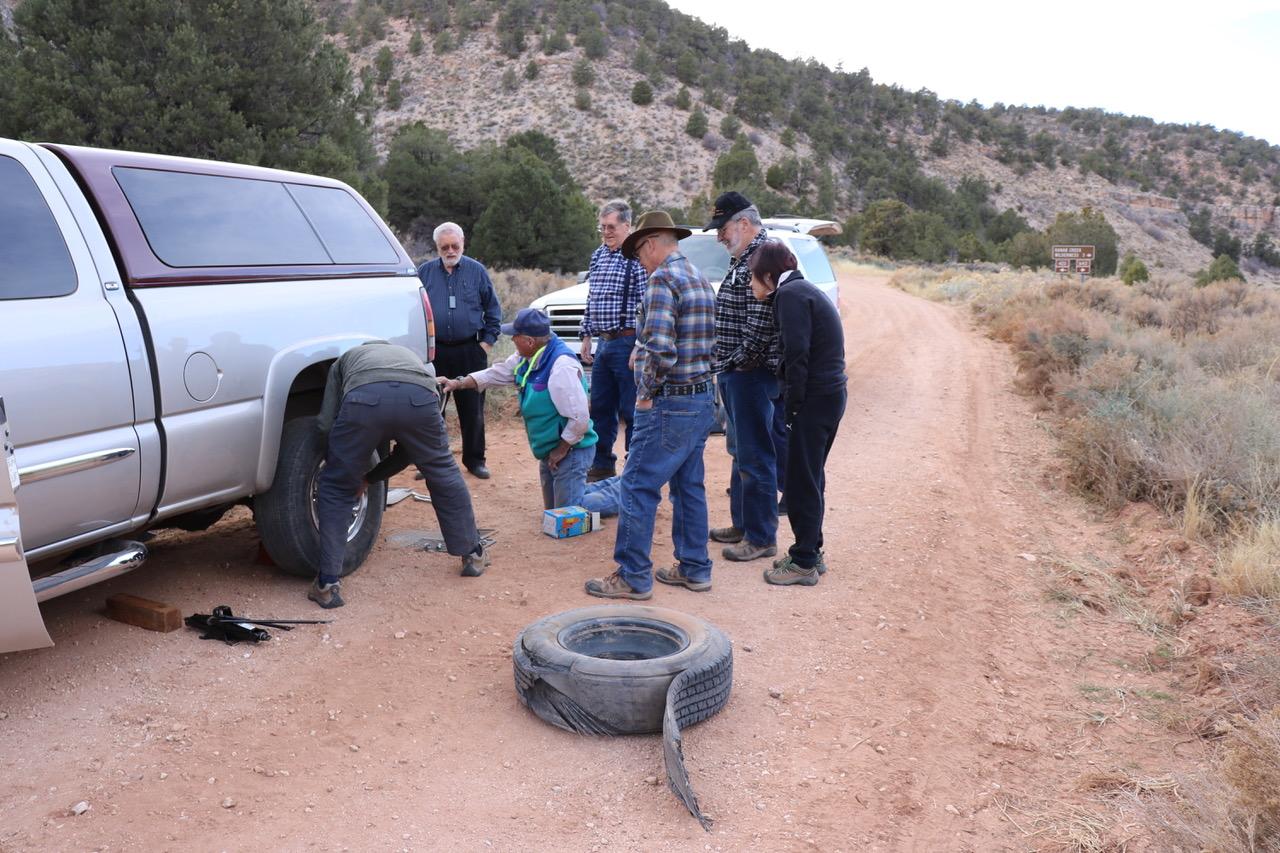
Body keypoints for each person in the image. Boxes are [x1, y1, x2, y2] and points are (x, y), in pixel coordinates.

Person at [584, 211, 717, 600]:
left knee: (638, 486)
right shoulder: (698, 278)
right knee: (688, 486)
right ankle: (695, 568)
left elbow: (659, 348)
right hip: (700, 397)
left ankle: (633, 576)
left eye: (640, 251)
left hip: (669, 402)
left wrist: (644, 392)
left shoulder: (662, 280)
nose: (639, 260)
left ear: (653, 243)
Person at [310, 341, 489, 608]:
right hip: (419, 397)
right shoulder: (412, 357)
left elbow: (325, 423)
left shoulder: (346, 359)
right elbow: (410, 452)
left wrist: (340, 462)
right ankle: (473, 555)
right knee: (443, 473)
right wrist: (370, 478)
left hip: (363, 399)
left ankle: (327, 585)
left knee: (335, 487)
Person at [748, 241, 847, 586]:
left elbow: (797, 354)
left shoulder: (790, 295)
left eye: (752, 277)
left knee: (801, 480)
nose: (750, 284)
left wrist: (792, 407)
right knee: (810, 475)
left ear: (769, 275)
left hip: (816, 398)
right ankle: (810, 550)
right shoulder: (801, 290)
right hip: (830, 395)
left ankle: (804, 561)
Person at [440, 308, 598, 510]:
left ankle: (623, 495)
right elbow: (497, 373)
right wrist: (458, 383)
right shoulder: (528, 356)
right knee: (553, 512)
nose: (512, 339)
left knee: (566, 513)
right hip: (550, 450)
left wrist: (561, 450)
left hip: (572, 449)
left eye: (515, 336)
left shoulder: (561, 367)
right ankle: (589, 489)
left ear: (530, 341)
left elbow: (580, 418)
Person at [705, 191, 785, 562]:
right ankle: (743, 525)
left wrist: (733, 363)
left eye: (722, 228)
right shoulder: (745, 257)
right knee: (741, 453)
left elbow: (761, 325)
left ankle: (762, 537)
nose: (719, 235)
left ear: (743, 223)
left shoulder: (762, 257)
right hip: (737, 372)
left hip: (750, 374)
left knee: (755, 456)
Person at [418, 222, 502, 479]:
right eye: (445, 247)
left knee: (472, 409)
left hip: (470, 350)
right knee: (432, 409)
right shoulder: (425, 273)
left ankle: (475, 460)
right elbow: (415, 310)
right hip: (436, 352)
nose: (451, 250)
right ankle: (432, 463)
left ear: (463, 243)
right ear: (437, 247)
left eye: (455, 245)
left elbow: (493, 310)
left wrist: (486, 343)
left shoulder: (477, 271)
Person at [580, 200, 647, 483]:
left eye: (611, 227)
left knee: (631, 409)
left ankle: (636, 468)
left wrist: (640, 345)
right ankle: (602, 463)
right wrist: (586, 334)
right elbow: (591, 297)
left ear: (626, 226)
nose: (606, 232)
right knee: (600, 407)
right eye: (603, 227)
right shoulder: (598, 255)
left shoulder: (636, 258)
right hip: (604, 343)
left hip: (627, 341)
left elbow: (647, 304)